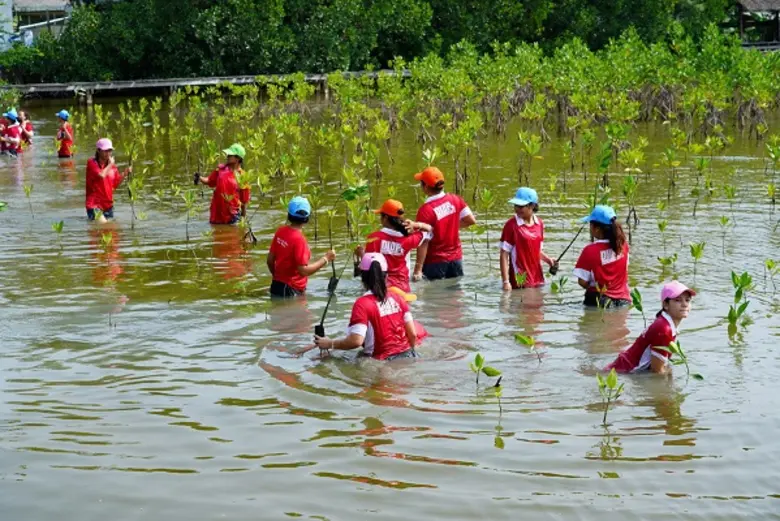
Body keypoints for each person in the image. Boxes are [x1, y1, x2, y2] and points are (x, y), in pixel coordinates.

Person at [300, 253, 422, 361]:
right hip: (408, 355)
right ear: (386, 276)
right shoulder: (398, 297)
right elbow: (412, 335)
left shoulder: (362, 304)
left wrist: (329, 343)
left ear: (362, 278)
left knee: (321, 359)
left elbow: (356, 341)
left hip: (380, 361)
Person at [605, 281, 695, 374]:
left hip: (623, 367)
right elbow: (657, 371)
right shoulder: (664, 329)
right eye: (678, 300)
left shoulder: (665, 323)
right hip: (624, 371)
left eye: (687, 300)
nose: (684, 304)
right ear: (666, 305)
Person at [412, 166, 476, 281]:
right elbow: (471, 220)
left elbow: (423, 241)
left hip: (434, 263)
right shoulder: (455, 199)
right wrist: (449, 226)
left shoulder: (425, 210)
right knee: (455, 296)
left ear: (426, 187)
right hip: (456, 260)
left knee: (433, 297)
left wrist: (418, 269)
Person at [355, 199, 432, 293]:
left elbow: (369, 266)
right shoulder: (409, 238)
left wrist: (362, 254)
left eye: (381, 215)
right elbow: (430, 230)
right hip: (403, 289)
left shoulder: (374, 238)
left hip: (381, 289)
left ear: (385, 218)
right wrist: (416, 224)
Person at [267, 196, 336, 297]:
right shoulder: (299, 239)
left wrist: (278, 278)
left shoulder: (280, 231)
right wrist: (326, 259)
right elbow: (303, 271)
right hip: (291, 290)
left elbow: (269, 260)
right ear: (307, 218)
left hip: (275, 286)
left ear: (289, 215)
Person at [499, 187, 558, 291]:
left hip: (538, 279)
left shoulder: (539, 224)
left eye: (521, 206)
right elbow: (504, 254)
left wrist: (548, 260)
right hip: (520, 281)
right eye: (516, 205)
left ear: (532, 205)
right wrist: (506, 282)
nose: (517, 209)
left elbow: (536, 251)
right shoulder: (511, 225)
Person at [573, 205, 630, 307]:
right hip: (623, 301)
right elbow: (625, 271)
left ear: (597, 228)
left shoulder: (590, 250)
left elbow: (582, 282)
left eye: (591, 224)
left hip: (600, 302)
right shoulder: (623, 245)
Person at [195, 143, 250, 225]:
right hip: (217, 213)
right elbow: (210, 181)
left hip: (232, 215)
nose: (227, 156)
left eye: (230, 155)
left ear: (238, 158)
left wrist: (243, 221)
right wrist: (200, 177)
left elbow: (244, 201)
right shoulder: (220, 169)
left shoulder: (243, 176)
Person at [86, 138, 131, 223]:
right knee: (104, 226)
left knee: (110, 233)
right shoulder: (92, 163)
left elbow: (115, 184)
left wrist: (125, 173)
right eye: (105, 150)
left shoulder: (112, 167)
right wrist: (110, 164)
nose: (108, 153)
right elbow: (101, 175)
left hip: (108, 206)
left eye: (110, 150)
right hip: (94, 205)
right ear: (98, 151)